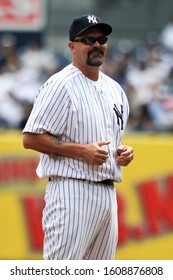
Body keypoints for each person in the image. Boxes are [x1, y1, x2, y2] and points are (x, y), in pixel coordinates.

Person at [22, 14, 134, 260]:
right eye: (88, 39)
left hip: (107, 194)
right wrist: (82, 151)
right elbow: (30, 138)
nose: (96, 45)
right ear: (72, 47)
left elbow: (109, 139)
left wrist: (123, 152)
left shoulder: (115, 89)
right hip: (71, 191)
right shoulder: (61, 85)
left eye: (101, 39)